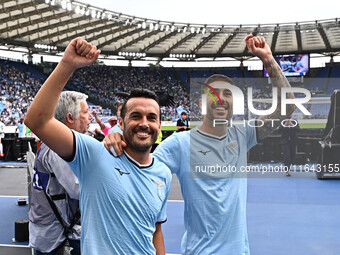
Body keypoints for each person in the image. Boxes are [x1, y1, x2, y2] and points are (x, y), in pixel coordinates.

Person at [104, 35, 296, 254]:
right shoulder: (181, 143)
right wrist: (118, 135)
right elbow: (139, 166)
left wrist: (268, 59)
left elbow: (287, 107)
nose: (220, 98)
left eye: (227, 94)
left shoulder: (243, 135)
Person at [24, 37, 171, 255]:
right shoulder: (93, 154)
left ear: (159, 125)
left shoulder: (163, 174)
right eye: (135, 116)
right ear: (120, 123)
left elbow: (156, 230)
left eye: (151, 117)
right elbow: (38, 121)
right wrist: (67, 65)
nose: (144, 123)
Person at [29, 91, 92, 255]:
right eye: (85, 112)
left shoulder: (53, 141)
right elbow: (77, 189)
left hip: (53, 230)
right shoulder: (58, 147)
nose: (90, 117)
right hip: (57, 236)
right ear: (71, 118)